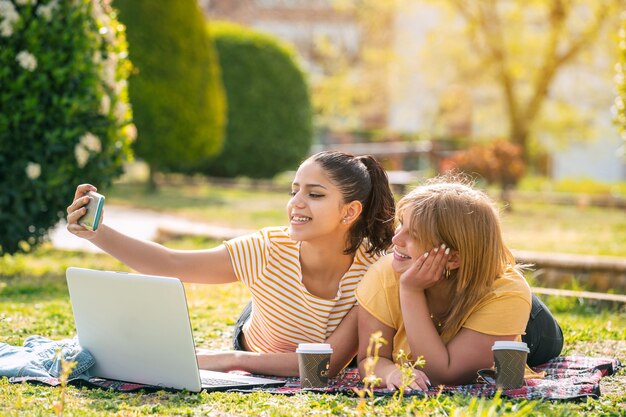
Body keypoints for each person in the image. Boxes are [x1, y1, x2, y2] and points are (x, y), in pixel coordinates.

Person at [66, 151, 396, 377]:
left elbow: (323, 365)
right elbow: (170, 262)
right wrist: (97, 234)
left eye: (315, 194)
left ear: (349, 212)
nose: (296, 203)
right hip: (260, 337)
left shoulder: (372, 270)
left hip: (285, 352)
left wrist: (230, 360)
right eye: (294, 190)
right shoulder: (265, 248)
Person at [355, 175, 562, 390]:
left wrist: (411, 290)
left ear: (453, 257)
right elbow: (370, 359)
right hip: (460, 290)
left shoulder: (507, 292)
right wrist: (390, 373)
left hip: (528, 326)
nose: (396, 239)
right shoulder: (384, 274)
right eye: (401, 224)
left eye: (413, 234)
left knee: (540, 348)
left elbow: (444, 374)